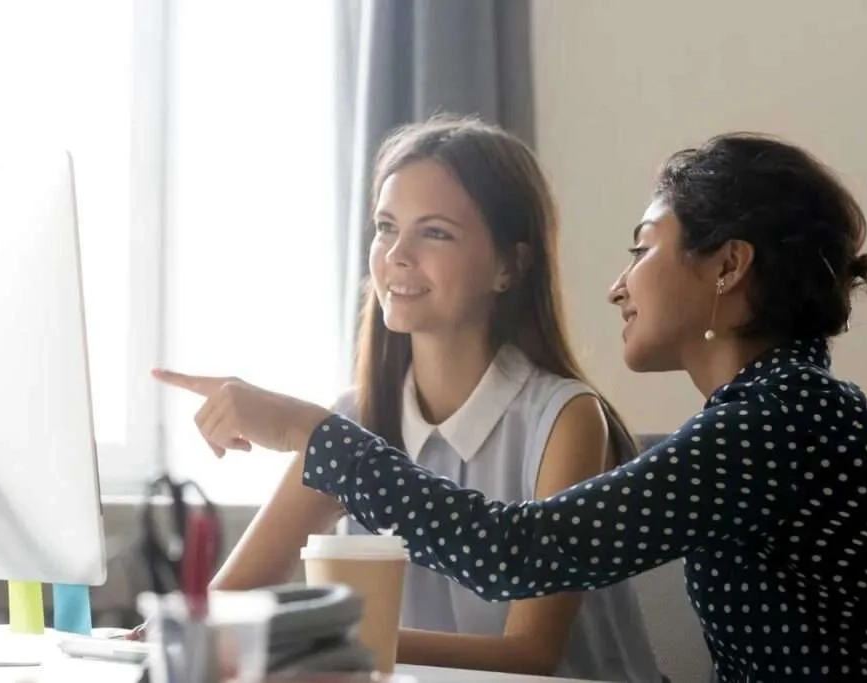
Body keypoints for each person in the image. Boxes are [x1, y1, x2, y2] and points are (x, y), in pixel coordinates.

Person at [155, 116, 661, 681]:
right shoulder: (356, 420)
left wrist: (333, 640)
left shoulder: (565, 418)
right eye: (385, 226)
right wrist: (159, 637)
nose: (397, 254)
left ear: (510, 265)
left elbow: (531, 653)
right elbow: (228, 600)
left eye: (435, 232)